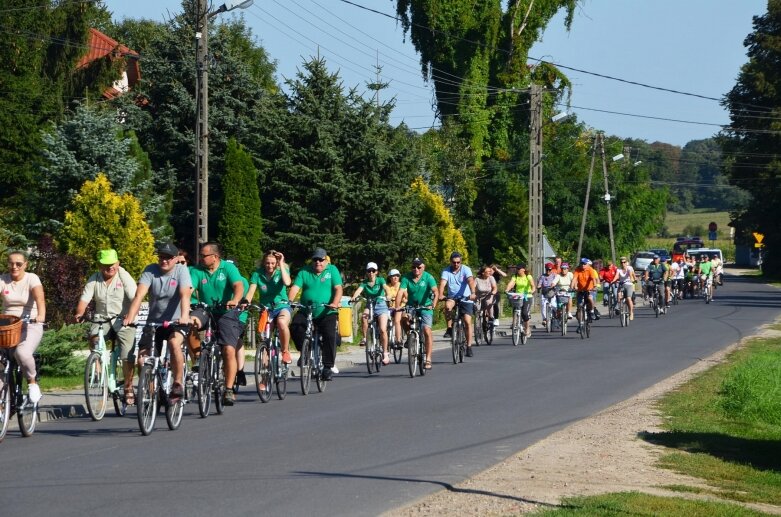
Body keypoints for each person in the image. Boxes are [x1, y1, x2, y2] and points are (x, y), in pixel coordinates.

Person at [123, 243, 192, 403]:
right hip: (154, 322)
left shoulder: (181, 271)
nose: (164, 261)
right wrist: (130, 317)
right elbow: (139, 295)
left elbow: (185, 295)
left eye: (168, 257)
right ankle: (153, 395)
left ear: (175, 259)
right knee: (142, 360)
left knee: (174, 344)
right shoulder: (150, 270)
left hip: (176, 322)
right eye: (161, 257)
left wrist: (184, 316)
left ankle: (177, 383)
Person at [74, 249, 138, 405]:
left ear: (118, 263)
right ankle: (97, 366)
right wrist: (79, 313)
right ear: (99, 265)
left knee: (127, 353)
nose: (110, 268)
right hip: (102, 319)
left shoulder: (123, 276)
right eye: (106, 265)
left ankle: (128, 387)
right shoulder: (94, 279)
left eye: (113, 264)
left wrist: (130, 316)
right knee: (93, 336)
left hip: (123, 319)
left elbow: (135, 297)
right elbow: (84, 299)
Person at [188, 242, 247, 405]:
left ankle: (228, 389)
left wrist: (235, 300)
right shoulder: (197, 270)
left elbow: (238, 285)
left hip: (226, 311)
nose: (201, 258)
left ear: (215, 257)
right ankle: (199, 356)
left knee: (228, 349)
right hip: (206, 309)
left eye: (204, 255)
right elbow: (190, 288)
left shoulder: (228, 268)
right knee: (190, 322)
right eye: (200, 255)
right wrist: (186, 302)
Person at [288, 247, 343, 381]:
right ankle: (305, 351)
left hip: (327, 310)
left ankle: (327, 367)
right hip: (307, 309)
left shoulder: (332, 270)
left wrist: (335, 302)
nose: (318, 262)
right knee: (295, 326)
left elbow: (338, 288)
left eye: (321, 260)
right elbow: (295, 288)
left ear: (326, 260)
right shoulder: (304, 271)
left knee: (330, 335)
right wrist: (289, 301)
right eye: (315, 260)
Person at [0, 250, 46, 404]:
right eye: (11, 263)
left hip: (30, 323)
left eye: (18, 264)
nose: (14, 267)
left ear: (25, 264)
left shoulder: (31, 278)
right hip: (8, 325)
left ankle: (32, 382)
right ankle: (4, 402)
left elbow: (40, 299)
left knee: (22, 352)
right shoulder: (3, 279)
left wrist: (40, 316)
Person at [246, 250, 293, 367]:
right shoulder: (258, 274)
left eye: (273, 263)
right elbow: (251, 290)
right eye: (267, 263)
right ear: (263, 262)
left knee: (282, 323)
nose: (270, 266)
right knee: (264, 337)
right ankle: (264, 376)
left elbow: (287, 282)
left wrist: (281, 263)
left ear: (276, 263)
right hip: (266, 309)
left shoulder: (281, 271)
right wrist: (246, 302)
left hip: (281, 306)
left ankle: (285, 351)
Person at [395, 257, 439, 369]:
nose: (416, 269)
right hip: (412, 306)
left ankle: (428, 359)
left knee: (427, 330)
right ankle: (410, 335)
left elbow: (435, 291)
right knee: (403, 318)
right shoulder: (406, 277)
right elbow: (400, 292)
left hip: (425, 307)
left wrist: (433, 304)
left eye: (418, 267)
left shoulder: (428, 277)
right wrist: (397, 306)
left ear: (423, 267)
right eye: (413, 267)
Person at [351, 262, 392, 364]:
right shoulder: (364, 282)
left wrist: (388, 296)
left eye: (373, 271)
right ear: (366, 272)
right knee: (364, 316)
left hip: (381, 305)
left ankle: (385, 353)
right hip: (370, 305)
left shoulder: (380, 280)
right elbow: (359, 290)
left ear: (376, 272)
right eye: (369, 271)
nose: (371, 273)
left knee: (383, 329)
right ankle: (365, 338)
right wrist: (354, 297)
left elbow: (386, 288)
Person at [439, 252, 477, 357]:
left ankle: (469, 346)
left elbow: (470, 281)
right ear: (450, 261)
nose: (456, 264)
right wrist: (441, 294)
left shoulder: (466, 269)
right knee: (447, 306)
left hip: (466, 297)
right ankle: (450, 328)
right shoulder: (446, 270)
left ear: (461, 262)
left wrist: (473, 293)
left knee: (467, 321)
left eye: (458, 262)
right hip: (452, 297)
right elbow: (443, 283)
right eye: (454, 262)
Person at [505, 264, 535, 337]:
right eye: (517, 269)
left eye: (519, 269)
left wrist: (532, 290)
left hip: (526, 296)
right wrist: (507, 289)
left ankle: (527, 329)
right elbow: (511, 283)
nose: (517, 270)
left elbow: (533, 285)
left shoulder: (528, 276)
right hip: (518, 296)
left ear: (523, 269)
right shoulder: (515, 276)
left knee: (524, 313)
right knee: (515, 309)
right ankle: (514, 323)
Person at [571, 258, 597, 330]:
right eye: (582, 263)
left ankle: (592, 311)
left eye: (584, 264)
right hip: (580, 290)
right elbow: (574, 279)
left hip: (590, 289)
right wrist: (571, 287)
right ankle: (580, 324)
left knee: (590, 298)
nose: (583, 265)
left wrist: (594, 286)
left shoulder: (590, 269)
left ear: (587, 264)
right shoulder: (577, 270)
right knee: (579, 307)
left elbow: (593, 279)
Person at [474, 265, 498, 330]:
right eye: (488, 271)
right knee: (477, 309)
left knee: (488, 302)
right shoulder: (477, 279)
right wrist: (472, 293)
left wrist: (493, 292)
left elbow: (494, 287)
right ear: (483, 273)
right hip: (479, 296)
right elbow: (472, 288)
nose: (490, 273)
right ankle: (478, 323)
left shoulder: (491, 278)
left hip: (489, 295)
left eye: (490, 271)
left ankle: (491, 317)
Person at [536, 262, 559, 327]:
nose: (548, 271)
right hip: (544, 293)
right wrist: (539, 286)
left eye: (550, 270)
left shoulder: (554, 275)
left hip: (552, 293)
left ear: (552, 270)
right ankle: (544, 319)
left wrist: (556, 286)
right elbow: (539, 284)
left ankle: (555, 317)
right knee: (543, 306)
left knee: (554, 305)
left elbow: (557, 282)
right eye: (547, 270)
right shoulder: (542, 276)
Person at [386, 269, 404, 347]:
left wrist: (404, 300)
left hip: (400, 307)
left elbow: (407, 297)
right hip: (389, 307)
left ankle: (398, 339)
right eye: (393, 276)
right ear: (390, 278)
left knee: (397, 321)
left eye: (397, 276)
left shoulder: (402, 285)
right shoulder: (387, 286)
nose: (395, 278)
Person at [615, 257, 636, 321]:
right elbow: (616, 276)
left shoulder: (629, 268)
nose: (623, 263)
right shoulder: (618, 269)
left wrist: (633, 279)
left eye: (624, 262)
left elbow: (631, 274)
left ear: (626, 263)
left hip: (629, 284)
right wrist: (613, 281)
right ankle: (620, 307)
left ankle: (631, 313)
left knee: (628, 298)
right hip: (622, 284)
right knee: (618, 295)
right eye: (621, 262)